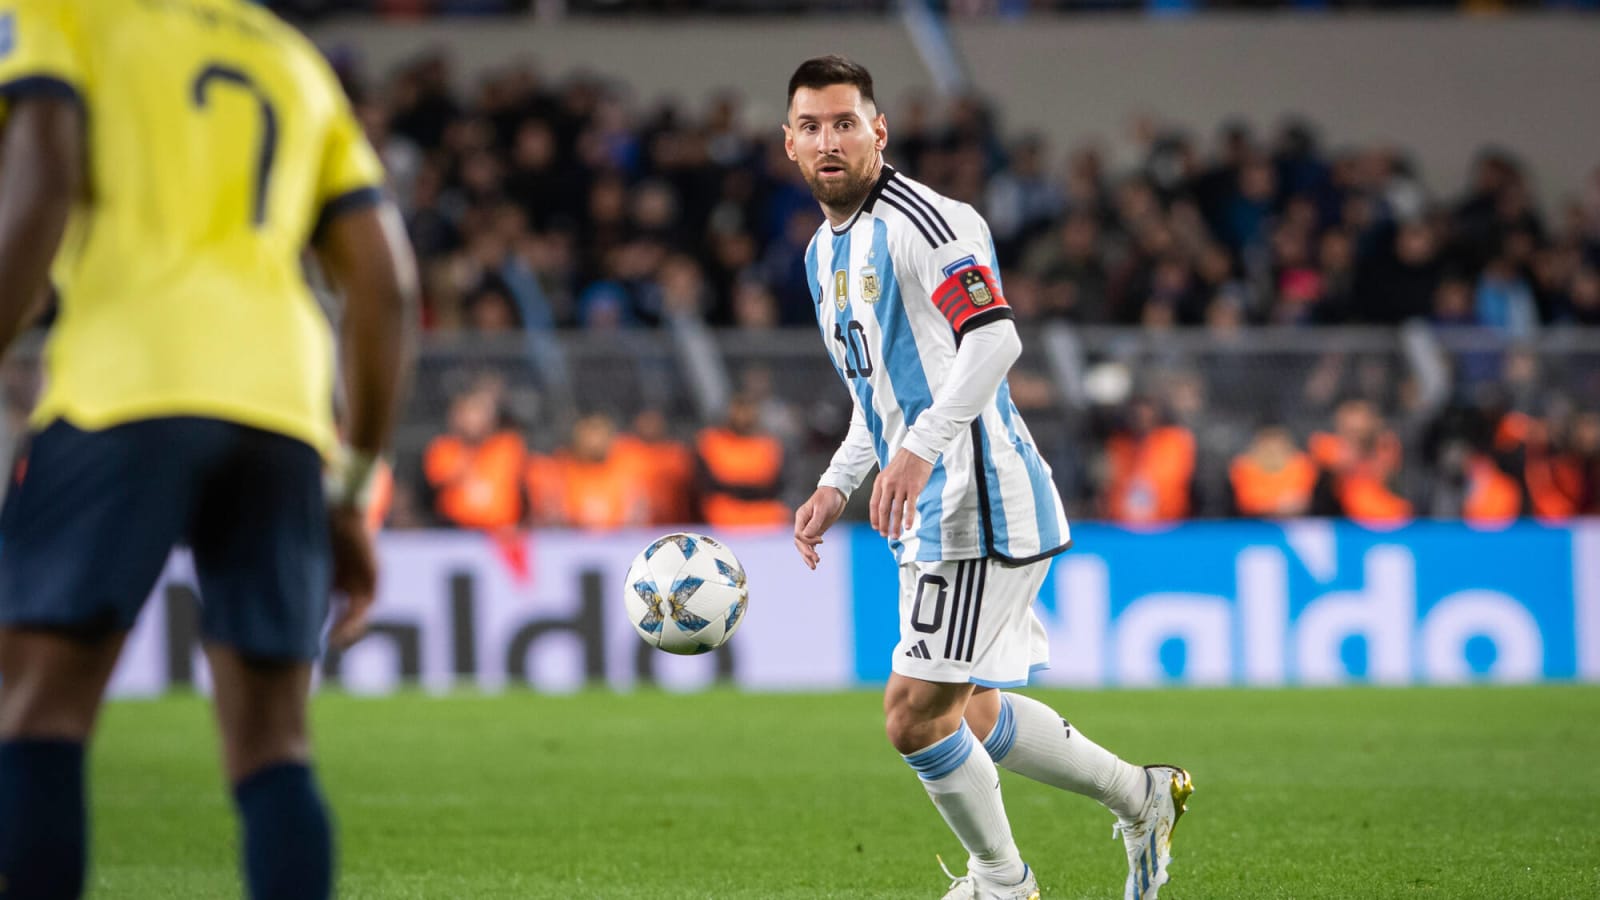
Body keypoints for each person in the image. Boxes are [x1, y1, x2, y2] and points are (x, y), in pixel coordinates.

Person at [0, 3, 417, 898]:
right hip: (281, 410)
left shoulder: (56, 15)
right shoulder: (290, 58)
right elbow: (384, 290)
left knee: (38, 709)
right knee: (272, 740)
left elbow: (35, 189)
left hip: (125, 384)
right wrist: (352, 488)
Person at [784, 56, 1192, 900]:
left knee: (911, 714)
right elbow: (880, 398)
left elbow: (996, 338)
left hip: (976, 501)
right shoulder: (822, 256)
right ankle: (1141, 796)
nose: (830, 141)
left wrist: (924, 448)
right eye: (812, 126)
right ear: (788, 143)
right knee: (963, 710)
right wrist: (837, 482)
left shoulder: (927, 220)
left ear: (878, 131)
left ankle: (1004, 883)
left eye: (846, 123)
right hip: (927, 505)